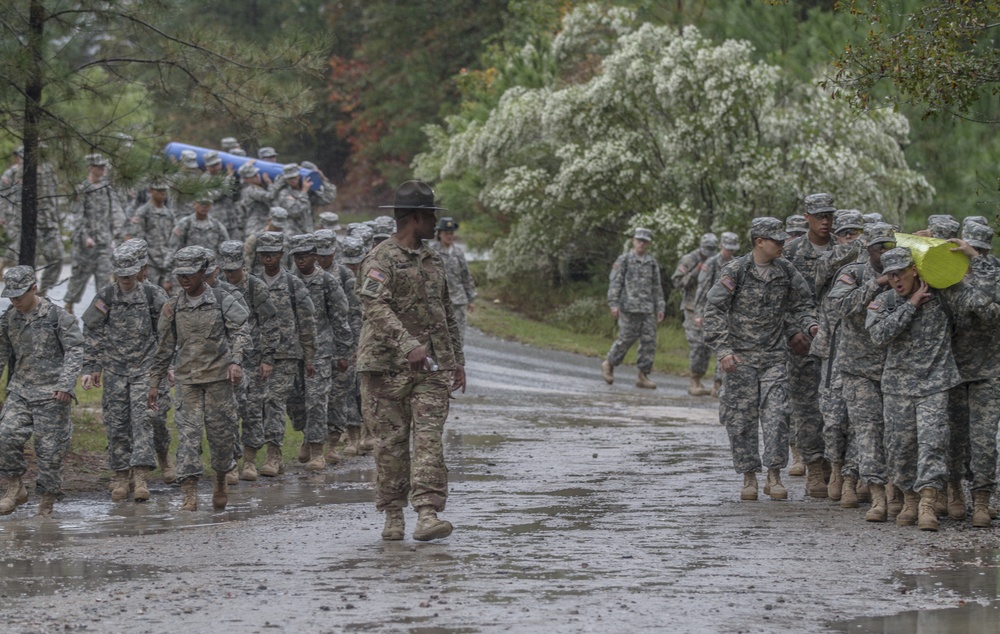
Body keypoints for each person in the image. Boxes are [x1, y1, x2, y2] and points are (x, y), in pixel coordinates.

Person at [358, 180, 465, 541]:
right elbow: (374, 305)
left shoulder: (435, 260)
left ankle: (427, 512)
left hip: (432, 369)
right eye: (431, 216)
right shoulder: (380, 259)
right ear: (415, 217)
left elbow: (446, 310)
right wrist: (407, 345)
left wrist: (457, 359)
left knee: (429, 439)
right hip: (385, 368)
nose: (436, 223)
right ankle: (392, 513)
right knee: (391, 443)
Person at [864, 246, 1000, 531]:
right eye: (890, 275)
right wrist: (910, 304)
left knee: (933, 444)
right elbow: (878, 335)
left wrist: (977, 260)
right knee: (900, 449)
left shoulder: (943, 297)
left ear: (915, 269)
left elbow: (985, 304)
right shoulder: (885, 301)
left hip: (935, 384)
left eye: (901, 272)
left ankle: (927, 502)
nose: (896, 279)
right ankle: (909, 499)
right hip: (898, 387)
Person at [703, 217, 817, 502]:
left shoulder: (786, 272)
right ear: (759, 242)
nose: (782, 245)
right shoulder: (736, 271)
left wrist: (810, 325)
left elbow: (803, 304)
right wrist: (723, 350)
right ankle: (749, 477)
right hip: (740, 359)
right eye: (776, 241)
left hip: (775, 357)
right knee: (741, 419)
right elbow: (713, 311)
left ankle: (774, 475)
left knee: (777, 415)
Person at [147, 246, 250, 512]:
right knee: (188, 437)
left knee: (221, 436)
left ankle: (219, 481)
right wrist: (154, 382)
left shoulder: (222, 298)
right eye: (180, 274)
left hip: (218, 379)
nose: (184, 279)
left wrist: (236, 361)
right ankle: (189, 495)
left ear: (203, 273)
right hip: (187, 381)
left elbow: (240, 330)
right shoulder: (173, 306)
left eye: (190, 274)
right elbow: (164, 348)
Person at [782, 193, 859, 496]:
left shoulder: (847, 250)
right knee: (805, 407)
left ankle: (836, 465)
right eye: (819, 216)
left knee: (838, 407)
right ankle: (815, 467)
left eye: (829, 215)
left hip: (839, 342)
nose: (825, 221)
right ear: (807, 218)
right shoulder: (790, 252)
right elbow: (782, 298)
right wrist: (791, 331)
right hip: (802, 341)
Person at [80, 243, 169, 502]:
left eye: (130, 273)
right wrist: (92, 366)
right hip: (116, 369)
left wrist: (167, 367)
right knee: (117, 423)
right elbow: (92, 331)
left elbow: (165, 334)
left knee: (143, 420)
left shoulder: (153, 295)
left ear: (140, 271)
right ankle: (121, 475)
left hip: (145, 368)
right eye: (122, 274)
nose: (126, 278)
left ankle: (141, 477)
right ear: (115, 273)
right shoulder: (106, 296)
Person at [0, 266, 84, 515]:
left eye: (19, 295)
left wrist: (66, 384)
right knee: (5, 436)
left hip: (52, 394)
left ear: (34, 289)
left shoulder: (56, 316)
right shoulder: (9, 318)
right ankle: (15, 488)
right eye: (11, 295)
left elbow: (75, 350)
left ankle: (46, 505)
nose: (15, 300)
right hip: (21, 389)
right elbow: (2, 351)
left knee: (50, 452)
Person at [826, 222, 896, 521]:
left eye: (889, 246)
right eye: (879, 247)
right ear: (867, 249)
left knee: (896, 432)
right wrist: (876, 284)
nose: (884, 252)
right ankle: (876, 494)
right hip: (858, 367)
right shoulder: (853, 273)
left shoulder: (907, 272)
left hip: (896, 367)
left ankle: (897, 490)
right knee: (866, 431)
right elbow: (839, 306)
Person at [287, 234, 352, 471]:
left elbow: (340, 318)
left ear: (315, 256)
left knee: (316, 399)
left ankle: (317, 451)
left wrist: (343, 352)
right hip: (292, 351)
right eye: (296, 256)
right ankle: (306, 434)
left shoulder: (327, 282)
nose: (300, 260)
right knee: (294, 400)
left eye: (305, 256)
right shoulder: (289, 281)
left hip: (321, 350)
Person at [254, 231, 316, 477]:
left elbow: (307, 321)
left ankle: (275, 454)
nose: (267, 257)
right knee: (259, 403)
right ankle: (263, 452)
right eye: (263, 253)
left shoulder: (293, 284)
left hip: (287, 352)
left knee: (277, 401)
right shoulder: (253, 284)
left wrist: (309, 356)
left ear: (281, 254)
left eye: (272, 253)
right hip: (258, 354)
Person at [217, 240, 279, 482]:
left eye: (235, 269)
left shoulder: (256, 287)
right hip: (227, 359)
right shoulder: (217, 289)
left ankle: (250, 461)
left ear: (243, 264)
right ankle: (232, 462)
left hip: (253, 359)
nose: (231, 274)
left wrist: (268, 358)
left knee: (252, 409)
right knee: (228, 411)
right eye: (226, 270)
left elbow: (271, 323)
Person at [315, 230, 363, 461]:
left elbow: (354, 314)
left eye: (327, 254)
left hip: (343, 343)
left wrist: (353, 346)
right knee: (315, 395)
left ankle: (350, 437)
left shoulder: (344, 276)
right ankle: (316, 440)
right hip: (316, 346)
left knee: (344, 392)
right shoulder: (304, 274)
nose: (323, 259)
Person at [601, 228, 666, 389]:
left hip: (647, 309)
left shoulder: (651, 263)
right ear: (633, 241)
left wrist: (660, 306)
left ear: (649, 243)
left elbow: (657, 287)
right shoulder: (624, 260)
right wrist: (614, 304)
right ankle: (609, 363)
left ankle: (643, 375)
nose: (641, 244)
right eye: (639, 240)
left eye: (645, 241)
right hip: (629, 307)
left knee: (649, 342)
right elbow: (615, 283)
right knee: (625, 340)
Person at [64, 153, 127, 315]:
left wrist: (116, 237)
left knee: (105, 283)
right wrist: (86, 238)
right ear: (91, 168)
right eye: (100, 167)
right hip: (85, 247)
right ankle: (68, 309)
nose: (103, 169)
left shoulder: (107, 190)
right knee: (78, 280)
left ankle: (102, 315)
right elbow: (77, 218)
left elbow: (115, 214)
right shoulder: (82, 190)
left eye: (104, 166)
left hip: (104, 245)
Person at [693, 231, 740, 396]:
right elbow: (701, 290)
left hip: (729, 312)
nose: (730, 252)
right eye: (727, 248)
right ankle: (697, 379)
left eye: (732, 250)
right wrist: (698, 313)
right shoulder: (711, 263)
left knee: (725, 347)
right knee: (704, 346)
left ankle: (718, 384)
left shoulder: (737, 264)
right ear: (721, 246)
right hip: (711, 310)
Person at [672, 232, 718, 396]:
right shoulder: (690, 259)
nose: (708, 253)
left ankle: (701, 379)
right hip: (692, 307)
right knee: (696, 343)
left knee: (707, 345)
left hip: (710, 307)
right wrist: (695, 271)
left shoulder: (716, 260)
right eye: (706, 249)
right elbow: (677, 281)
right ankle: (694, 380)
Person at [428, 217, 477, 347]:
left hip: (457, 300)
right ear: (439, 234)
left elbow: (466, 276)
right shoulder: (432, 252)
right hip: (437, 299)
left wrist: (471, 298)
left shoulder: (458, 253)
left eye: (451, 233)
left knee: (458, 334)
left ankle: (456, 364)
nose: (449, 236)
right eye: (446, 233)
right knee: (437, 334)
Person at [131, 179, 176, 291]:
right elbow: (138, 241)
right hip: (150, 263)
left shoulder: (169, 214)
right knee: (149, 295)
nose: (163, 194)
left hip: (166, 262)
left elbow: (174, 241)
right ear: (151, 191)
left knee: (167, 299)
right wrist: (142, 266)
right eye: (159, 190)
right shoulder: (143, 212)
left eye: (165, 191)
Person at [167, 194, 230, 268]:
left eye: (207, 204)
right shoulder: (185, 224)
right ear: (194, 204)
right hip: (189, 268)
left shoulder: (217, 226)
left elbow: (225, 249)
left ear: (211, 206)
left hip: (210, 269)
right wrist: (169, 269)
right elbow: (174, 248)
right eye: (201, 203)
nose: (204, 207)